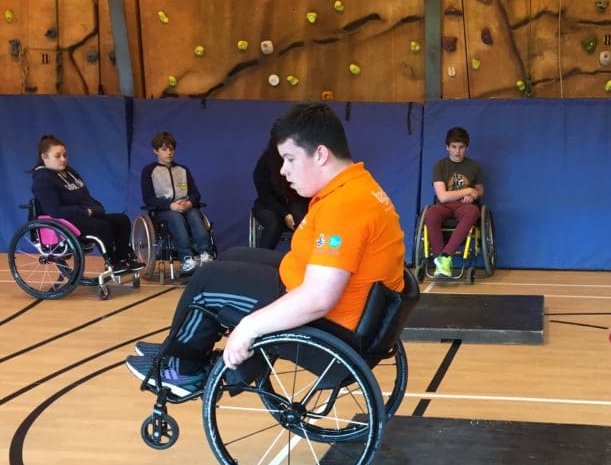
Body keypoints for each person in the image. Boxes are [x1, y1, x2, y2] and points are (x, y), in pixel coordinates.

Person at [126, 102, 406, 396]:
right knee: (231, 258)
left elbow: (319, 298)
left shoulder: (345, 205)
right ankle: (179, 345)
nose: (283, 170)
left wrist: (248, 327)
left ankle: (182, 369)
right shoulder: (357, 185)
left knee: (208, 280)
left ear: (321, 154)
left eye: (289, 159)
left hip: (329, 324)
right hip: (330, 298)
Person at [31, 134, 144, 273]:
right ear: (44, 157)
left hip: (82, 215)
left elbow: (85, 197)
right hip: (64, 221)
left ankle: (124, 258)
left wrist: (96, 208)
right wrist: (85, 211)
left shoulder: (70, 172)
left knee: (122, 220)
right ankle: (113, 263)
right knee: (103, 226)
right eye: (58, 156)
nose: (63, 159)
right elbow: (55, 211)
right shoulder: (42, 180)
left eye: (65, 155)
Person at [140, 131, 215, 274]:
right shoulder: (149, 171)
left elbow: (195, 194)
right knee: (175, 217)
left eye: (171, 149)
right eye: (164, 149)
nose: (169, 153)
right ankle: (186, 258)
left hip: (185, 206)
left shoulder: (182, 170)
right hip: (163, 210)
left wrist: (190, 203)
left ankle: (206, 254)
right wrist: (170, 205)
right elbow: (148, 198)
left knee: (194, 214)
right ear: (155, 151)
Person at [423, 126, 484, 277]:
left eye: (461, 147)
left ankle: (444, 257)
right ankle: (440, 260)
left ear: (467, 148)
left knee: (474, 211)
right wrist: (467, 190)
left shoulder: (474, 166)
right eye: (454, 147)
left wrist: (474, 195)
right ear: (447, 147)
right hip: (444, 206)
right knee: (430, 214)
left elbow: (480, 190)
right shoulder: (440, 166)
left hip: (464, 206)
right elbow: (443, 197)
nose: (457, 151)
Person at [251, 139, 310, 250]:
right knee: (274, 224)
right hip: (268, 204)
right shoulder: (265, 162)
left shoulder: (300, 159)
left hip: (294, 201)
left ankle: (302, 257)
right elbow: (265, 195)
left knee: (302, 220)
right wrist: (285, 214)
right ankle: (261, 258)